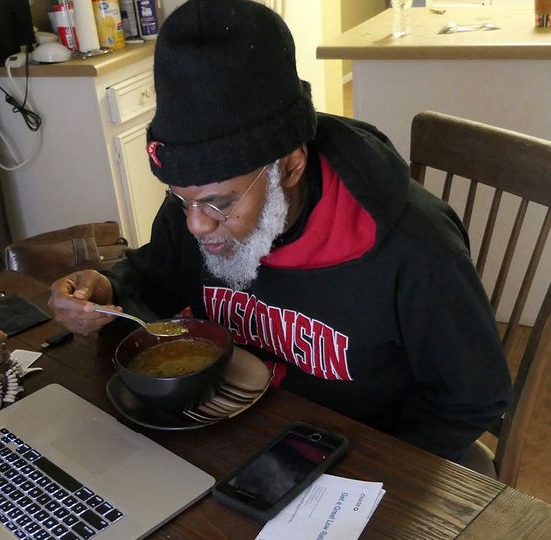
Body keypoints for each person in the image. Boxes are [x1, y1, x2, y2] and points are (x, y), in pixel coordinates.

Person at [48, 0, 511, 463]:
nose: (195, 223)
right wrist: (106, 289)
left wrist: (376, 466)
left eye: (220, 203)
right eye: (180, 198)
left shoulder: (416, 247)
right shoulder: (197, 205)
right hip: (229, 432)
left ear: (289, 167)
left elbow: (474, 398)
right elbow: (157, 277)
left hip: (357, 453)